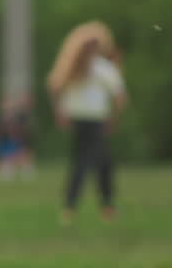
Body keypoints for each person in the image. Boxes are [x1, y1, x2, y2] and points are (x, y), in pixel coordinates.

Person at [47, 21, 128, 224]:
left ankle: (72, 207)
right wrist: (113, 118)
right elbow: (120, 97)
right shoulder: (101, 68)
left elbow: (55, 89)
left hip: (83, 121)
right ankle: (103, 207)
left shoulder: (72, 66)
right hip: (93, 121)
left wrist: (60, 112)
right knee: (97, 164)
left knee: (87, 163)